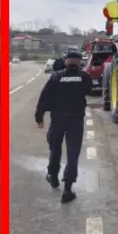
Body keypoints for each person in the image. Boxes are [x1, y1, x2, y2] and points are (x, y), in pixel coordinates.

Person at [35, 48, 94, 203]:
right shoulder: (85, 77)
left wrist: (39, 117)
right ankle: (67, 189)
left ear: (66, 60)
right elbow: (90, 90)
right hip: (76, 121)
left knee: (55, 149)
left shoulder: (56, 77)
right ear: (80, 61)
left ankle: (53, 176)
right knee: (73, 154)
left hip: (58, 121)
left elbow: (44, 98)